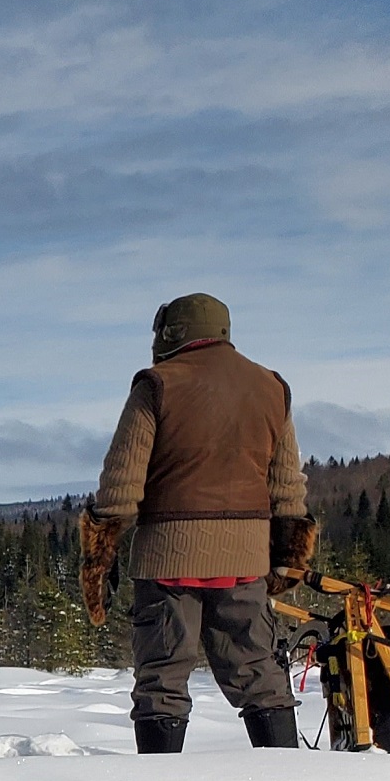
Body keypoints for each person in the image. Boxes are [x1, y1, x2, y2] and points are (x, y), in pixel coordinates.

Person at [81, 293, 317, 754]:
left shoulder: (156, 385)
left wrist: (100, 549)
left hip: (167, 558)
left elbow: (122, 481)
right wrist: (288, 555)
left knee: (162, 680)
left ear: (169, 333)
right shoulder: (271, 387)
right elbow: (287, 484)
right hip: (245, 559)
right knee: (261, 676)